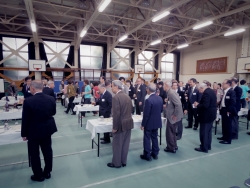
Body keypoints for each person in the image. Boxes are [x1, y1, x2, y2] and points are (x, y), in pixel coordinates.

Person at [21, 80, 57, 182]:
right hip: (47, 129)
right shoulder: (50, 99)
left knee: (34, 154)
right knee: (47, 151)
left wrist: (24, 134)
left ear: (32, 88)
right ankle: (47, 172)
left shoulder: (28, 101)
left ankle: (38, 175)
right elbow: (53, 112)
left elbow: (25, 119)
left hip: (33, 131)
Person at [107, 80, 133, 168]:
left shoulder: (116, 98)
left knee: (117, 144)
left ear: (117, 87)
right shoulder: (127, 96)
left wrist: (115, 127)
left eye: (112, 86)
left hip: (120, 124)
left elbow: (116, 114)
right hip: (128, 123)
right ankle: (123, 161)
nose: (111, 88)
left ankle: (116, 163)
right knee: (125, 143)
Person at [140, 83, 163, 161]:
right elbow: (161, 110)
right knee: (155, 137)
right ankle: (155, 153)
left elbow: (146, 114)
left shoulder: (148, 100)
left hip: (149, 123)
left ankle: (147, 154)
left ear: (149, 90)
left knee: (147, 138)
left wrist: (143, 124)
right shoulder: (160, 98)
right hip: (157, 122)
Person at [193, 83, 217, 153]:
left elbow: (205, 105)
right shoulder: (211, 91)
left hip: (206, 115)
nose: (199, 92)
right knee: (208, 131)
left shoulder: (206, 93)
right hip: (211, 114)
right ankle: (208, 145)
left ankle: (204, 147)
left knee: (204, 132)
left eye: (199, 90)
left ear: (201, 88)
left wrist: (198, 105)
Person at [163, 80, 183, 153]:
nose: (163, 87)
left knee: (170, 132)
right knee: (173, 132)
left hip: (172, 117)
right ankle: (174, 145)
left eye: (164, 85)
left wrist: (175, 114)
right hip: (171, 115)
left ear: (167, 86)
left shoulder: (171, 93)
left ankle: (171, 147)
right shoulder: (170, 92)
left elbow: (178, 104)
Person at [217, 79, 237, 144]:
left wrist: (229, 110)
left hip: (228, 110)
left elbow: (233, 102)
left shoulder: (231, 92)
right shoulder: (224, 91)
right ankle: (224, 136)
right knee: (224, 124)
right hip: (223, 109)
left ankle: (228, 140)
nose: (222, 85)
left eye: (223, 83)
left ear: (228, 84)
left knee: (228, 125)